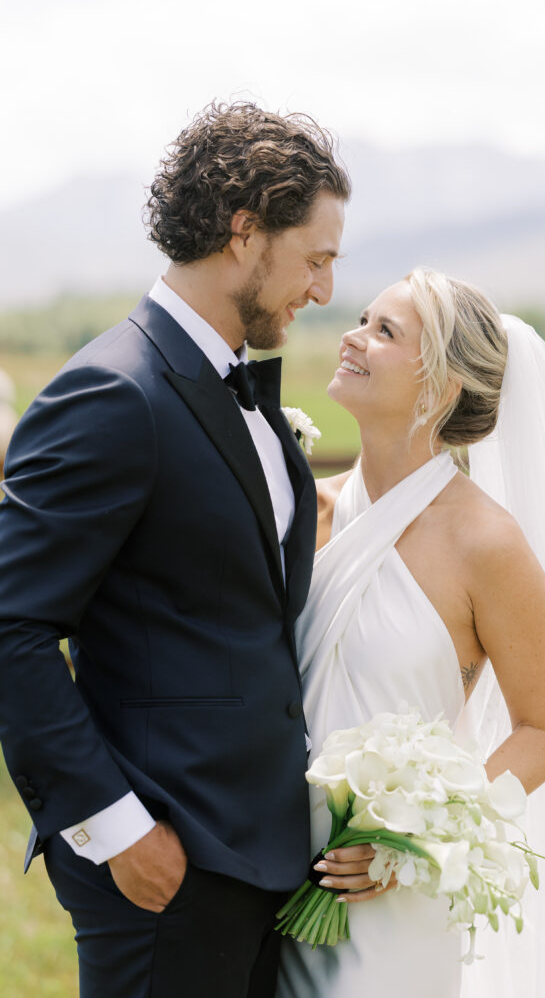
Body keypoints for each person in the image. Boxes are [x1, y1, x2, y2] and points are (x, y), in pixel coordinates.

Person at [0, 101, 349, 998]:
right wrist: (116, 830)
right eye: (314, 259)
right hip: (164, 868)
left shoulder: (242, 391)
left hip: (262, 859)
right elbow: (13, 631)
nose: (321, 291)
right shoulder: (112, 395)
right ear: (244, 232)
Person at [277, 269, 545, 998]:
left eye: (384, 331)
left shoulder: (486, 543)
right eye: (362, 319)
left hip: (392, 897)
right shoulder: (305, 511)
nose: (352, 336)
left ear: (442, 386)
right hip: (269, 868)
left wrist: (413, 838)